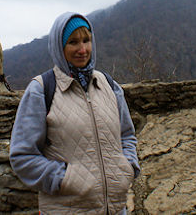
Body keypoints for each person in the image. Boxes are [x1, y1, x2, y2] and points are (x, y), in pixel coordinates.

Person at [9, 12, 140, 214]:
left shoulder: (108, 85)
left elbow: (126, 135)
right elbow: (22, 156)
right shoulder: (41, 90)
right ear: (59, 47)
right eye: (73, 42)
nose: (82, 49)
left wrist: (128, 167)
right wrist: (64, 179)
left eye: (86, 40)